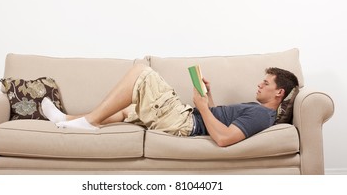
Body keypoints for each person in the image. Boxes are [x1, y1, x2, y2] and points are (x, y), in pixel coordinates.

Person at [42, 64, 298, 147]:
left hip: (185, 123)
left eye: (265, 83)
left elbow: (223, 138)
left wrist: (203, 108)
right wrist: (207, 97)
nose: (259, 85)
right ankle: (65, 119)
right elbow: (221, 121)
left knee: (142, 72)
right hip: (189, 117)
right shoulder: (258, 110)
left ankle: (90, 122)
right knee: (126, 110)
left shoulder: (262, 116)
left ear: (279, 91)